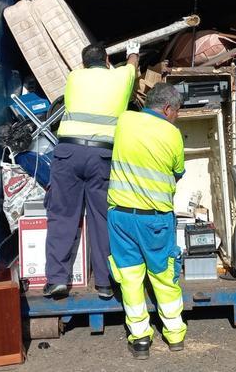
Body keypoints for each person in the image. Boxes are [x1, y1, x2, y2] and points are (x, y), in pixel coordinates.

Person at [43, 42, 139, 299]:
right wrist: (133, 52)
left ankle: (56, 280)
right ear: (107, 60)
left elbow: (86, 65)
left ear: (84, 63)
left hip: (68, 152)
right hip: (102, 155)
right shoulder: (121, 77)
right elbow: (132, 64)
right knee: (102, 218)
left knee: (62, 215)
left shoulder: (74, 77)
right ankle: (105, 283)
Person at [106, 83, 186, 359]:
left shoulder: (125, 120)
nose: (177, 116)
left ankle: (140, 339)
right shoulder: (172, 135)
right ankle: (175, 334)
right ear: (167, 109)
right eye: (177, 111)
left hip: (120, 218)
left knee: (129, 278)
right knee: (164, 276)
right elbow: (178, 172)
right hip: (155, 221)